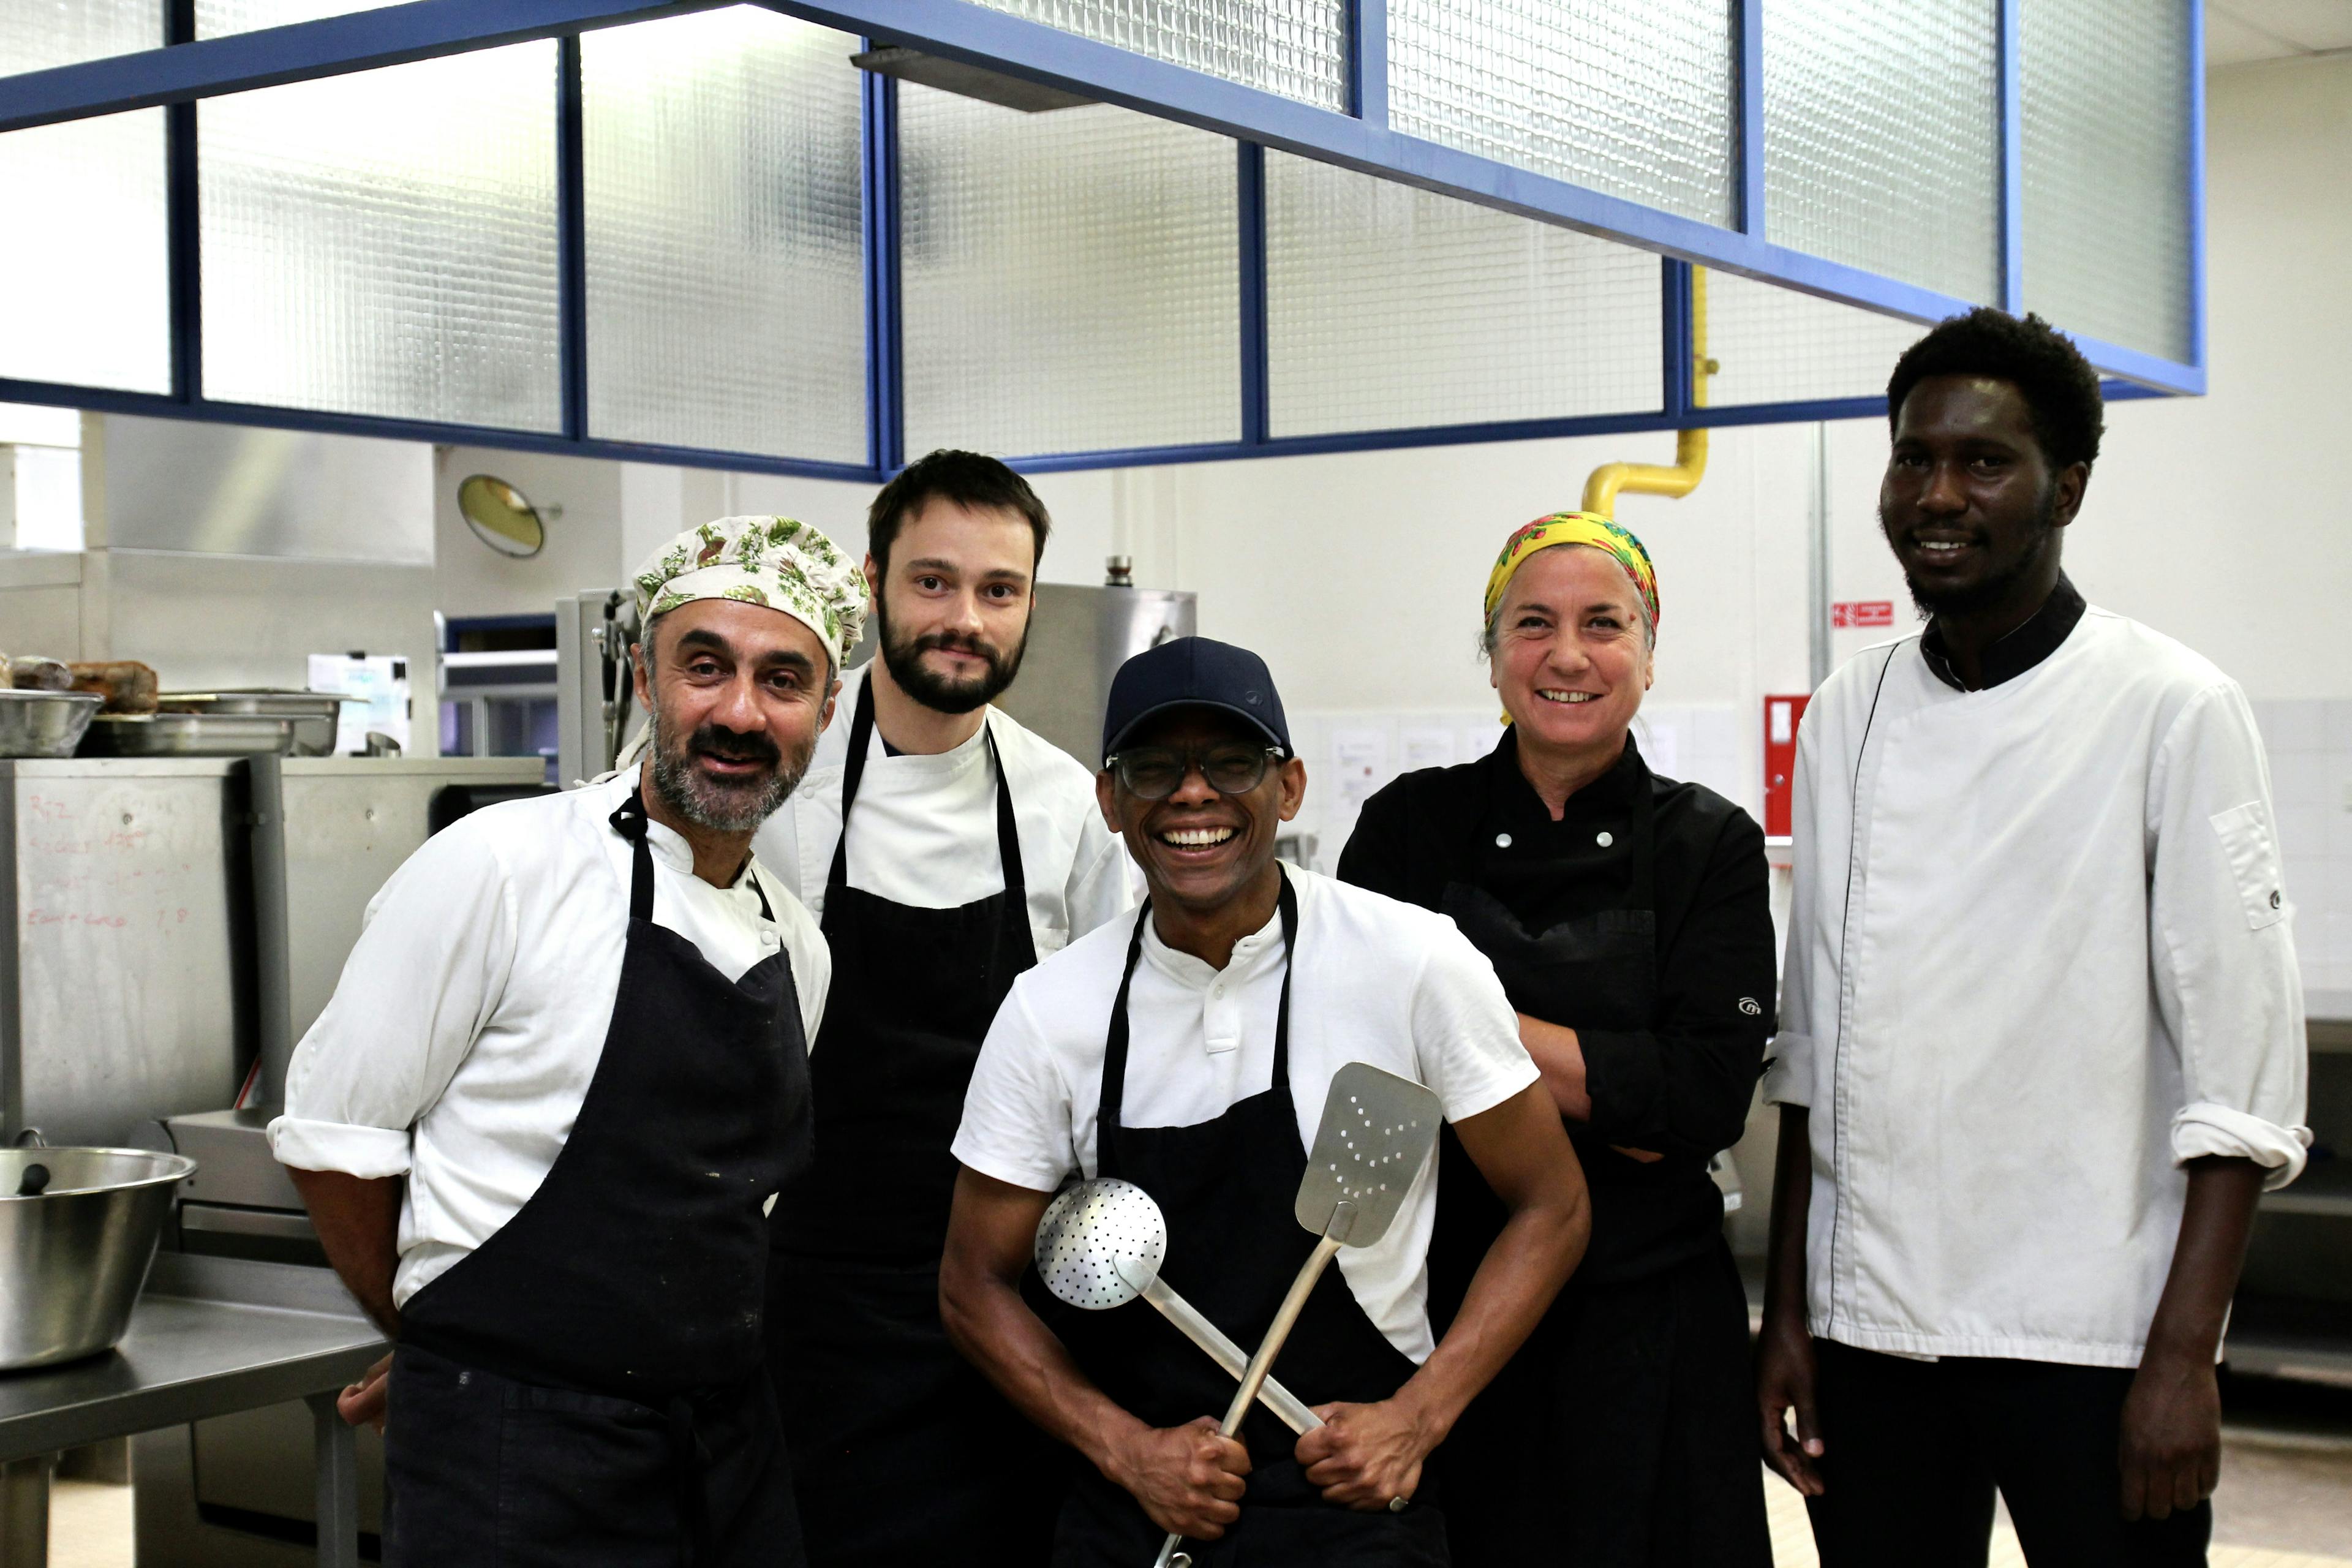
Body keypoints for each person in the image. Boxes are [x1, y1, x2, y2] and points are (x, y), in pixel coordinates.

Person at [1755, 309, 2309, 1564]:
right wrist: (1790, 1312)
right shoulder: (1851, 709)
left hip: (2094, 1340)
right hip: (1873, 1336)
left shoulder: (2173, 706)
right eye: (1913, 458)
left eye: (1984, 462)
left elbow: (2244, 1077)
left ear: (2068, 485)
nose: (1938, 495)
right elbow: (1814, 1046)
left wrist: (2184, 1359)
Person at [271, 516, 867, 1567]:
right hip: (517, 1456)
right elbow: (334, 1138)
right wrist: (447, 1341)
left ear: (825, 709)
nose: (739, 711)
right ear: (645, 678)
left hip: (727, 1442)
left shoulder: (799, 946)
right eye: (704, 666)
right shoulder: (501, 870)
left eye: (783, 680)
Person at [939, 635, 1591, 1567]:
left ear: (1288, 788)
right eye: (1155, 768)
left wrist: (1418, 1417)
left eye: (1232, 763)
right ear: (1111, 800)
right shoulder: (1052, 1010)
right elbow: (973, 1286)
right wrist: (1127, 1451)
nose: (1193, 795)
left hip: (1355, 1495)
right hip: (1143, 1498)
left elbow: (1553, 1205)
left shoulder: (1411, 963)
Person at [1337, 511, 1774, 1566]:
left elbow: (1701, 1099)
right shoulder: (1409, 827)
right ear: (1493, 658)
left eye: (1605, 624)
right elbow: (1359, 1075)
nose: (1569, 655)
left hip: (1653, 1327)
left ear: (1650, 654)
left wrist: (1459, 1032)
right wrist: (1612, 1084)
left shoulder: (1709, 844)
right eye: (1533, 624)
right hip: (1439, 1320)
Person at [754, 450, 1131, 1566]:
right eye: (933, 582)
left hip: (1005, 1314)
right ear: (873, 581)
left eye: (998, 591)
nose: (964, 618)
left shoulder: (1065, 808)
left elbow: (1116, 1062)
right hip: (804, 1313)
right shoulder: (776, 787)